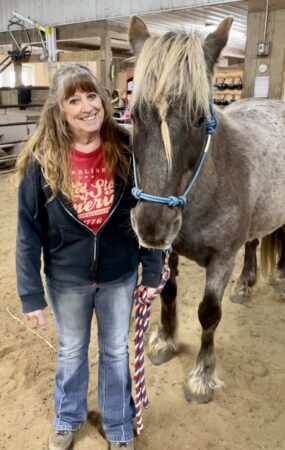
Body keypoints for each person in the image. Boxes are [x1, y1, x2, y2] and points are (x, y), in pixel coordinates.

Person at [16, 64, 162, 450]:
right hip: (67, 279)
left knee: (115, 351)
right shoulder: (42, 161)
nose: (86, 107)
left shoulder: (128, 150)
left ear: (104, 99)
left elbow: (150, 212)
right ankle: (67, 419)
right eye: (74, 100)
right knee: (71, 351)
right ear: (60, 110)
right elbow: (27, 232)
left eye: (92, 95)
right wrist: (31, 294)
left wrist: (152, 272)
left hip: (119, 273)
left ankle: (118, 424)